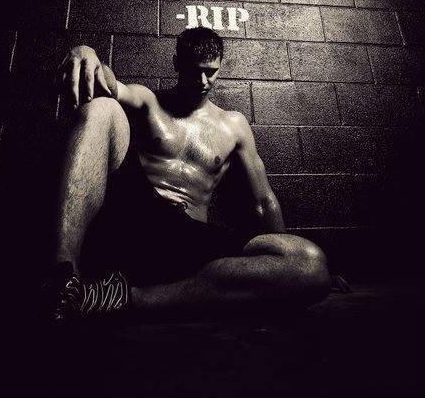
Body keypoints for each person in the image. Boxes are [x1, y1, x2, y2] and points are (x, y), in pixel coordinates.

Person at [43, 27, 330, 323]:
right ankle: (62, 280)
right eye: (194, 71)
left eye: (211, 72)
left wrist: (277, 257)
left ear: (220, 67)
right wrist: (87, 54)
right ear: (177, 64)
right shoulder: (149, 101)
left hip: (191, 238)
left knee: (310, 266)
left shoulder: (234, 125)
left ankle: (123, 299)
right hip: (136, 219)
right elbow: (112, 86)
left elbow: (263, 201)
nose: (203, 82)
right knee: (102, 107)